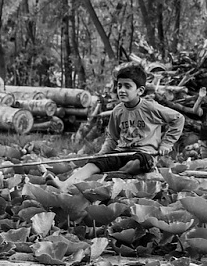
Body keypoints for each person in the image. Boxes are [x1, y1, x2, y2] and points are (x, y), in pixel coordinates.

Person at [49, 65, 184, 190]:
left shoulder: (150, 107)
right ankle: (66, 184)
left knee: (137, 163)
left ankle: (118, 177)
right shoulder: (117, 111)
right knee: (94, 163)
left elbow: (178, 119)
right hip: (122, 152)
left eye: (127, 86)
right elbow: (112, 138)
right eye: (119, 86)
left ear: (140, 90)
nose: (121, 90)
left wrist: (166, 144)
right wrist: (102, 155)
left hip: (144, 154)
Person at [169, 87, 207, 160]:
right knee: (205, 161)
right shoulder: (204, 111)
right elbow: (194, 110)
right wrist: (200, 98)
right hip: (203, 140)